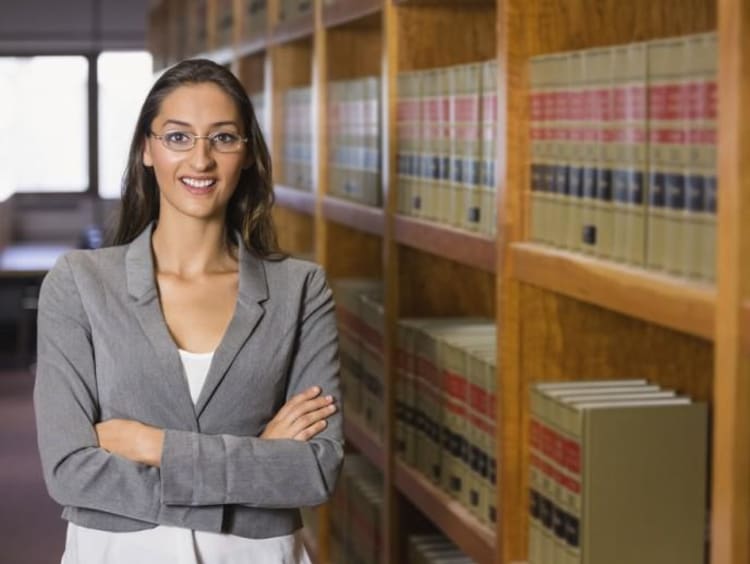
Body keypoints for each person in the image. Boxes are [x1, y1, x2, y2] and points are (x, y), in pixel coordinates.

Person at [33, 58, 343, 563]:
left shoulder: (300, 289)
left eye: (223, 138)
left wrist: (150, 444)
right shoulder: (79, 284)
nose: (200, 160)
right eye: (178, 137)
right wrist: (255, 462)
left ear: (246, 155)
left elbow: (313, 472)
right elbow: (70, 470)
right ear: (147, 150)